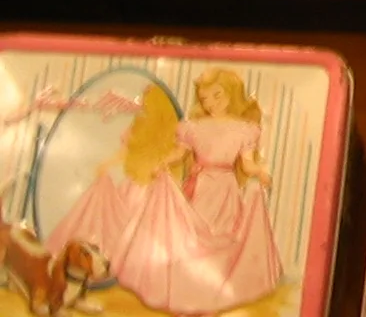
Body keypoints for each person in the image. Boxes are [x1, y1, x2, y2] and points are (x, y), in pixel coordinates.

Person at [49, 67, 283, 312]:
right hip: (200, 187)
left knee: (222, 238)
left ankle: (214, 287)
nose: (211, 103)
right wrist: (163, 163)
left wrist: (260, 172)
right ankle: (192, 288)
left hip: (226, 189)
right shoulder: (193, 128)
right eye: (205, 99)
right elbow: (180, 154)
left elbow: (246, 163)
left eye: (217, 96)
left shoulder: (243, 130)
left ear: (231, 94)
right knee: (192, 238)